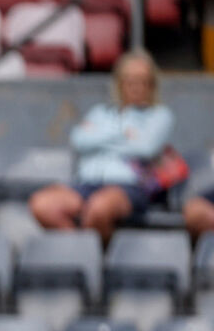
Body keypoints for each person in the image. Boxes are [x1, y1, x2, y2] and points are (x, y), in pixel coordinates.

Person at [29, 50, 174, 242]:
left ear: (151, 85)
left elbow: (146, 149)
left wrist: (99, 137)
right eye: (129, 80)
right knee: (42, 205)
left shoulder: (160, 115)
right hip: (87, 182)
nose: (136, 87)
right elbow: (79, 140)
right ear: (119, 83)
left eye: (142, 81)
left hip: (129, 185)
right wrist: (124, 134)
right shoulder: (100, 112)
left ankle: (92, 260)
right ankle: (82, 254)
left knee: (99, 209)